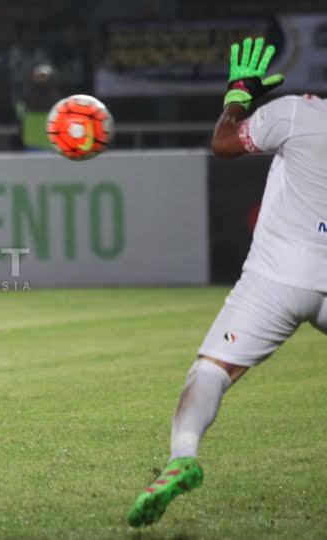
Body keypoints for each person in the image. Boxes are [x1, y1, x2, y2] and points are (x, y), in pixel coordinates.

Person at [128, 37, 327, 526]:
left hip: (278, 277)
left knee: (212, 370)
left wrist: (239, 95)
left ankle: (181, 458)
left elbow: (223, 144)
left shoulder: (298, 113)